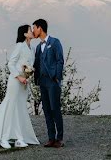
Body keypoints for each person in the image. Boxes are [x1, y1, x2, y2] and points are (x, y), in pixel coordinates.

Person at [0, 24, 40, 149]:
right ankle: (3, 137)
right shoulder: (19, 46)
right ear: (25, 34)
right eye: (29, 30)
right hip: (16, 82)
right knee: (10, 108)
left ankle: (18, 138)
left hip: (24, 83)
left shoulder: (32, 48)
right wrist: (19, 77)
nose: (32, 31)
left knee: (20, 109)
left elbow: (29, 65)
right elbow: (11, 64)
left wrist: (28, 75)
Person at [32, 18, 65, 148]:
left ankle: (60, 138)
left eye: (34, 28)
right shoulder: (38, 47)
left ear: (40, 28)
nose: (33, 30)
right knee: (46, 110)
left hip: (52, 81)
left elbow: (60, 60)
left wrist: (57, 77)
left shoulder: (55, 42)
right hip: (42, 82)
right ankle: (51, 138)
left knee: (55, 109)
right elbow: (37, 64)